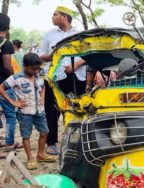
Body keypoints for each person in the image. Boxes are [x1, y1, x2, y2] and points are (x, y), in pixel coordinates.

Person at [38, 6, 86, 155]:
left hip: (77, 77)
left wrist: (76, 64)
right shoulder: (49, 35)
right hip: (55, 78)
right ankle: (51, 143)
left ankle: (74, 141)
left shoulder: (80, 34)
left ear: (64, 17)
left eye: (55, 14)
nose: (52, 17)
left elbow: (89, 54)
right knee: (52, 110)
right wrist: (55, 56)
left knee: (75, 109)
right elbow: (40, 55)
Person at [0, 53, 57, 169]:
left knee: (45, 132)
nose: (35, 71)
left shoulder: (39, 75)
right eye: (33, 69)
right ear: (25, 66)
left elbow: (43, 86)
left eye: (37, 69)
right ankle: (30, 158)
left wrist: (42, 97)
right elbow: (1, 88)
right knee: (26, 136)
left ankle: (41, 154)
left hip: (39, 111)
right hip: (25, 112)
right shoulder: (16, 78)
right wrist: (12, 102)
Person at [0, 13, 20, 152]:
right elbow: (7, 65)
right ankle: (9, 143)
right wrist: (15, 78)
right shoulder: (5, 43)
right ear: (7, 27)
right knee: (10, 116)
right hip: (3, 85)